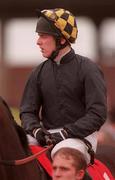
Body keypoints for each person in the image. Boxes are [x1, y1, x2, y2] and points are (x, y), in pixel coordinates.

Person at [20, 8, 107, 160]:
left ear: (61, 40)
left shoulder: (89, 69)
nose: (38, 41)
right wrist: (36, 130)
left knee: (60, 154)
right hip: (47, 135)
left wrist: (66, 132)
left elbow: (97, 113)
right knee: (12, 148)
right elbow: (27, 111)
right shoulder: (38, 72)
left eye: (43, 36)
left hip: (82, 137)